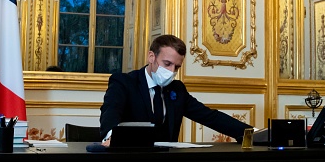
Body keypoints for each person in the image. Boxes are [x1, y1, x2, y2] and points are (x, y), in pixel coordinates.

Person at [99, 34, 252, 145]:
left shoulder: (177, 89)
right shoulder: (124, 82)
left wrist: (251, 134)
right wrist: (112, 136)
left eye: (176, 67)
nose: (172, 71)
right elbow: (111, 111)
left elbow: (209, 116)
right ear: (151, 57)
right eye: (167, 64)